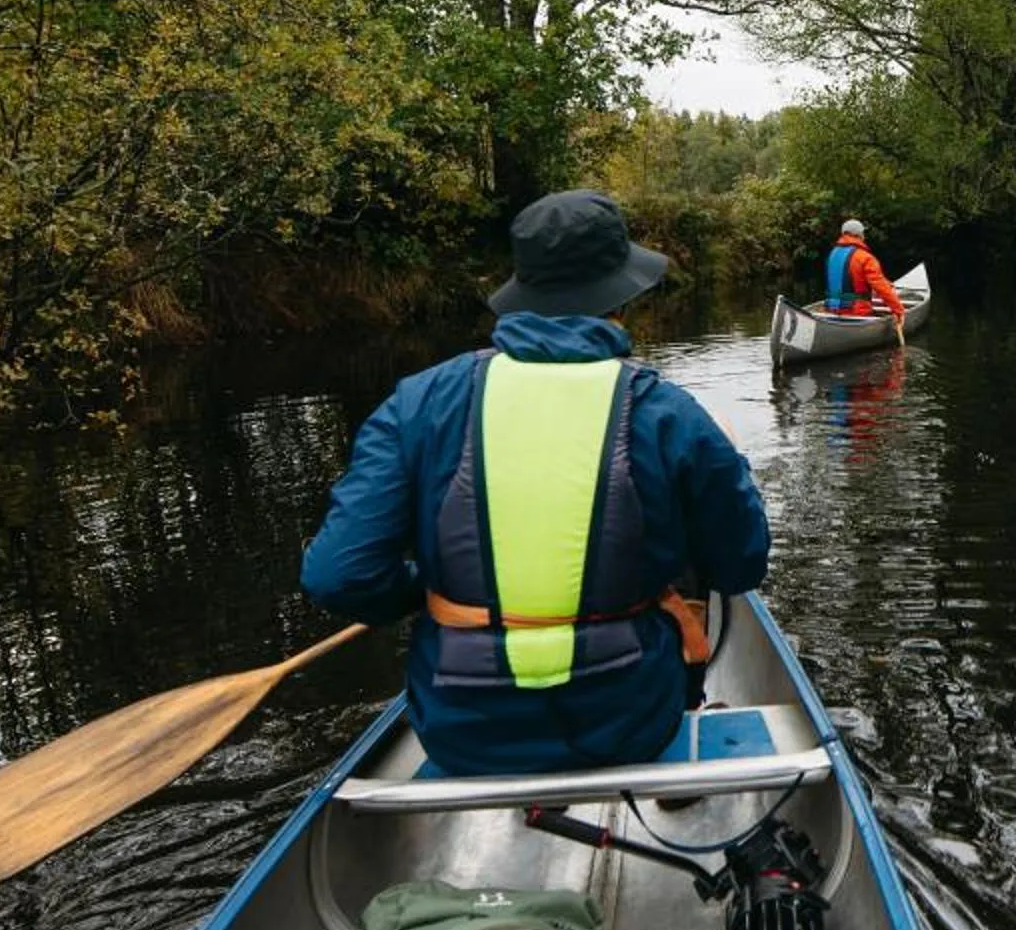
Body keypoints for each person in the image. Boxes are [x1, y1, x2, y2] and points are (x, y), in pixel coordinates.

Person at [299, 190, 770, 776]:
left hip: (462, 733)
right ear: (622, 297)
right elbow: (742, 568)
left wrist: (430, 590)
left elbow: (338, 575)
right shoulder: (669, 413)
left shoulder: (416, 404)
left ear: (521, 293)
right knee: (687, 536)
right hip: (630, 723)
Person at [824, 218, 905, 332]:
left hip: (830, 310)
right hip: (857, 312)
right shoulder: (865, 257)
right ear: (859, 235)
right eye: (863, 233)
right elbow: (880, 287)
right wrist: (899, 311)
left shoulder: (832, 254)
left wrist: (886, 283)